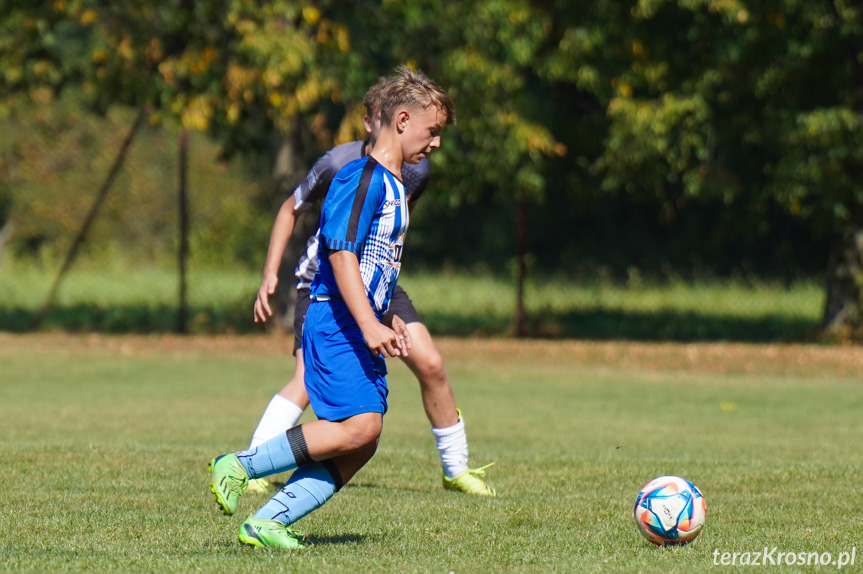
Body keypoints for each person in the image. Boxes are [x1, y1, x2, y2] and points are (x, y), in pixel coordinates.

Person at [209, 66, 458, 549]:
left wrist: (388, 320)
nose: (436, 144)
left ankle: (269, 522)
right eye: (433, 132)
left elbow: (373, 266)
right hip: (336, 321)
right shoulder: (360, 178)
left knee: (362, 443)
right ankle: (239, 465)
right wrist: (366, 322)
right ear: (403, 120)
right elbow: (340, 252)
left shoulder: (394, 185)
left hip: (359, 322)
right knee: (358, 426)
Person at [244, 77, 495, 496]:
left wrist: (384, 302)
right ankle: (251, 466)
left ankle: (456, 470)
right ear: (380, 121)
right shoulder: (341, 166)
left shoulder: (415, 169)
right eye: (429, 131)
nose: (432, 143)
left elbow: (391, 232)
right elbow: (298, 213)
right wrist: (271, 272)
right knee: (308, 380)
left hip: (378, 283)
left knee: (430, 363)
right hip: (325, 284)